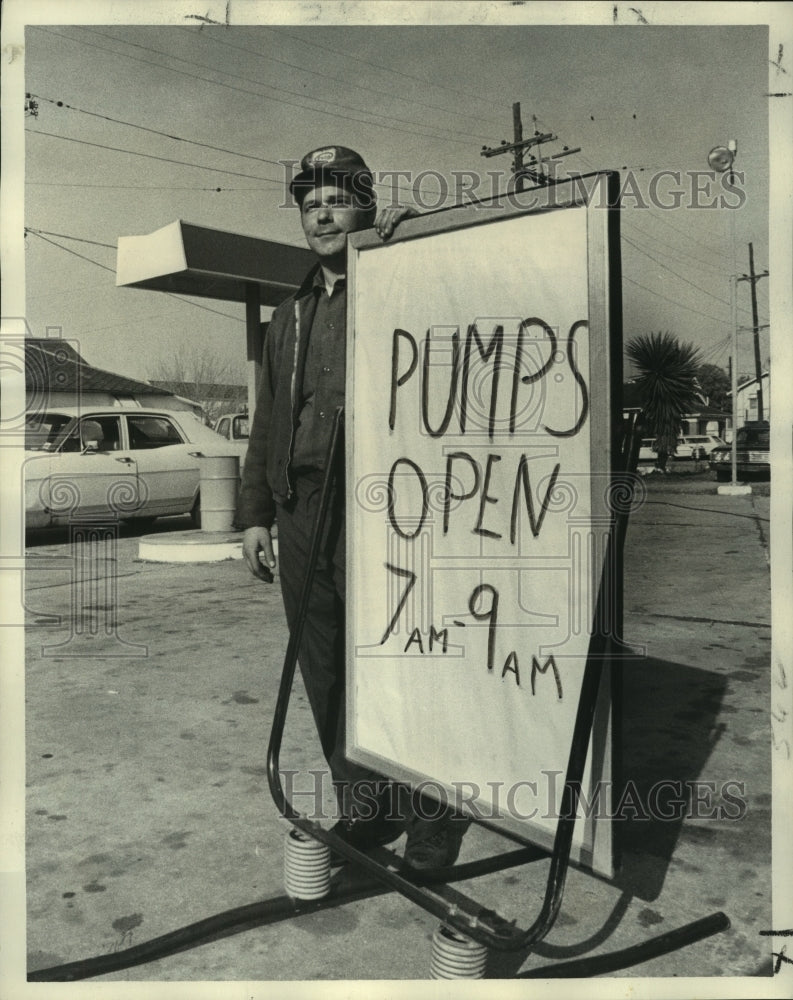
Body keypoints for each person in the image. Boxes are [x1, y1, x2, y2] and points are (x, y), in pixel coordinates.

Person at [236, 146, 467, 869]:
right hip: (301, 505)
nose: (323, 213)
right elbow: (268, 416)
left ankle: (433, 822)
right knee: (325, 666)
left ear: (366, 207)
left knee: (401, 662)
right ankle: (365, 808)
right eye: (310, 205)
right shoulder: (291, 313)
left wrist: (420, 241)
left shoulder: (406, 280)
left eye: (338, 199)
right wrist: (255, 515)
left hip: (382, 504)